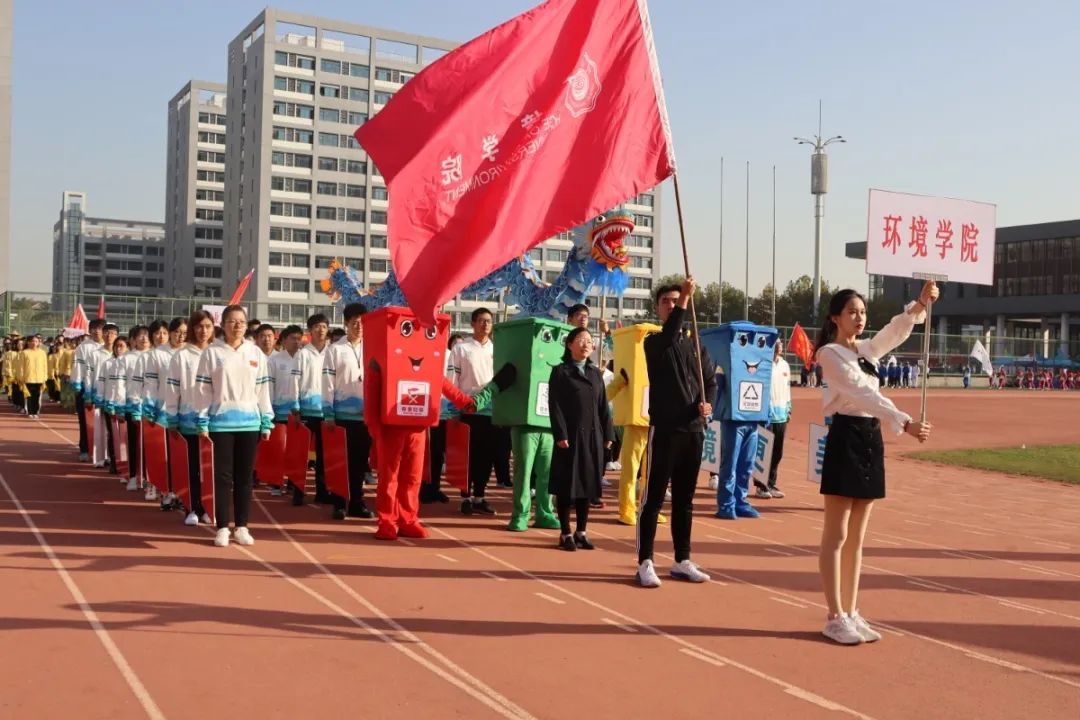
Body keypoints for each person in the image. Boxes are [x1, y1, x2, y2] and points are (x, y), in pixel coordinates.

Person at [813, 282, 937, 645]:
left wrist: (919, 304)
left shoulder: (867, 350)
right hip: (845, 437)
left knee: (857, 537)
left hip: (870, 438)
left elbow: (894, 332)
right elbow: (862, 393)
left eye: (862, 312)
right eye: (851, 312)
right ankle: (834, 616)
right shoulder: (829, 354)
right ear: (835, 318)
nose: (859, 318)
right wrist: (904, 421)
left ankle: (851, 611)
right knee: (836, 534)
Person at [636, 277, 717, 588]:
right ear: (658, 309)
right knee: (654, 498)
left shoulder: (697, 347)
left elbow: (710, 382)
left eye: (676, 300)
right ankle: (645, 561)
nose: (671, 305)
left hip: (694, 431)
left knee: (685, 499)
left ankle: (682, 559)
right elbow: (671, 333)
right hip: (665, 430)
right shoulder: (655, 342)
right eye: (665, 302)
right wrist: (684, 297)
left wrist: (707, 404)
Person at [193, 305, 273, 547]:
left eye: (241, 321)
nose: (237, 325)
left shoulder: (255, 352)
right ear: (223, 324)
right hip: (220, 424)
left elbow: (263, 389)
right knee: (222, 478)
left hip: (250, 423)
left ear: (246, 325)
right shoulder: (212, 353)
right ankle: (222, 528)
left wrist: (266, 420)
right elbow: (203, 390)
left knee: (244, 478)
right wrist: (202, 419)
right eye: (232, 321)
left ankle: (242, 526)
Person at [549, 328, 614, 551]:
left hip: (593, 436)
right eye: (581, 340)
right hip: (570, 436)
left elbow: (603, 406)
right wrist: (561, 434)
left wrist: (608, 434)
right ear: (569, 344)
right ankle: (565, 532)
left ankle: (581, 532)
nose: (586, 344)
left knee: (587, 483)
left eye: (589, 340)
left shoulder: (595, 373)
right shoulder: (561, 372)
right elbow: (555, 406)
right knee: (566, 485)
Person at [451, 307, 509, 514]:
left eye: (489, 321)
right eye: (482, 321)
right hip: (468, 409)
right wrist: (454, 408)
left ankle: (479, 497)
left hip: (491, 411)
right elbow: (453, 380)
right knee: (468, 456)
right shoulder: (461, 348)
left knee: (486, 457)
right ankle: (465, 497)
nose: (486, 325)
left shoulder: (498, 350)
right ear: (473, 323)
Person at [160, 310, 215, 526]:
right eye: (199, 326)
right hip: (188, 422)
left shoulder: (217, 353)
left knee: (211, 469)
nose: (203, 331)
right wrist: (172, 418)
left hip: (215, 422)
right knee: (192, 467)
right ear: (192, 329)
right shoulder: (181, 356)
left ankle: (209, 507)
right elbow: (172, 390)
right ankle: (192, 507)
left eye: (208, 326)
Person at [321, 303, 374, 520]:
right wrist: (328, 413)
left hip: (366, 416)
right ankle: (339, 503)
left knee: (360, 462)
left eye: (362, 322)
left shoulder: (373, 347)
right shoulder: (334, 350)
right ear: (346, 323)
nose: (359, 326)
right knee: (340, 461)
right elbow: (327, 383)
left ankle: (356, 502)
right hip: (341, 416)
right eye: (354, 322)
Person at [140, 318, 187, 505]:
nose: (181, 336)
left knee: (183, 457)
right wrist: (150, 409)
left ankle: (182, 493)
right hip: (165, 412)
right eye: (177, 332)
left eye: (184, 333)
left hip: (188, 412)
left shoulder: (192, 352)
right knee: (164, 454)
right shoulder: (157, 354)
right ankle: (164, 489)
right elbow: (151, 384)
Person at [293, 313, 334, 506]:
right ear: (310, 331)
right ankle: (298, 491)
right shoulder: (302, 354)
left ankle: (322, 491)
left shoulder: (333, 353)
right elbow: (294, 382)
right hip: (306, 411)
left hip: (326, 412)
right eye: (316, 326)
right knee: (300, 454)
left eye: (324, 326)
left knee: (324, 455)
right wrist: (296, 407)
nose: (320, 330)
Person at [421, 333, 465, 504]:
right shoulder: (422, 352)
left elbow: (454, 383)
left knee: (438, 452)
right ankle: (422, 487)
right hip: (425, 411)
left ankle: (434, 487)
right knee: (425, 453)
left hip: (445, 412)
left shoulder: (450, 355)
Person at [267, 325, 304, 497]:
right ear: (283, 340)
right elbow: (269, 387)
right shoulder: (274, 360)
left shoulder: (304, 357)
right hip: (279, 411)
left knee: (296, 449)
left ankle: (292, 482)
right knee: (279, 448)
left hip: (298, 412)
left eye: (299, 338)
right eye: (292, 338)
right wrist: (269, 409)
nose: (296, 342)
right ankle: (276, 483)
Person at [754, 338, 790, 499]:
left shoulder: (784, 365)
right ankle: (760, 486)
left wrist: (789, 408)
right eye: (776, 343)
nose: (779, 346)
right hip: (766, 415)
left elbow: (787, 388)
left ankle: (770, 483)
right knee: (764, 451)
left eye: (780, 343)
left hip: (782, 415)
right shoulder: (763, 364)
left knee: (777, 453)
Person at [121, 326, 151, 491]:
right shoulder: (127, 358)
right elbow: (121, 384)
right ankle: (133, 476)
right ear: (133, 339)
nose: (144, 339)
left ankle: (148, 478)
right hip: (132, 406)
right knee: (133, 442)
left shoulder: (155, 356)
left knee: (150, 445)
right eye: (140, 336)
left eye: (147, 335)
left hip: (151, 408)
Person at [87, 324, 119, 469]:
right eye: (106, 332)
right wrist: (89, 394)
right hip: (99, 395)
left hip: (117, 397)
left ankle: (115, 458)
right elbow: (89, 375)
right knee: (100, 428)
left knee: (115, 430)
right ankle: (100, 458)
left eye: (112, 333)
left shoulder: (121, 353)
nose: (109, 335)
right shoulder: (95, 354)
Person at [17, 335, 48, 419]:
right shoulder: (24, 353)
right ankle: (30, 412)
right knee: (29, 396)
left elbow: (45, 366)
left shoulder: (42, 353)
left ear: (39, 343)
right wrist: (21, 376)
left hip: (39, 378)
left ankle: (35, 412)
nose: (34, 343)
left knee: (37, 396)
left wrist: (45, 376)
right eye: (32, 341)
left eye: (36, 341)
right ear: (28, 342)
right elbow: (21, 366)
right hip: (28, 378)